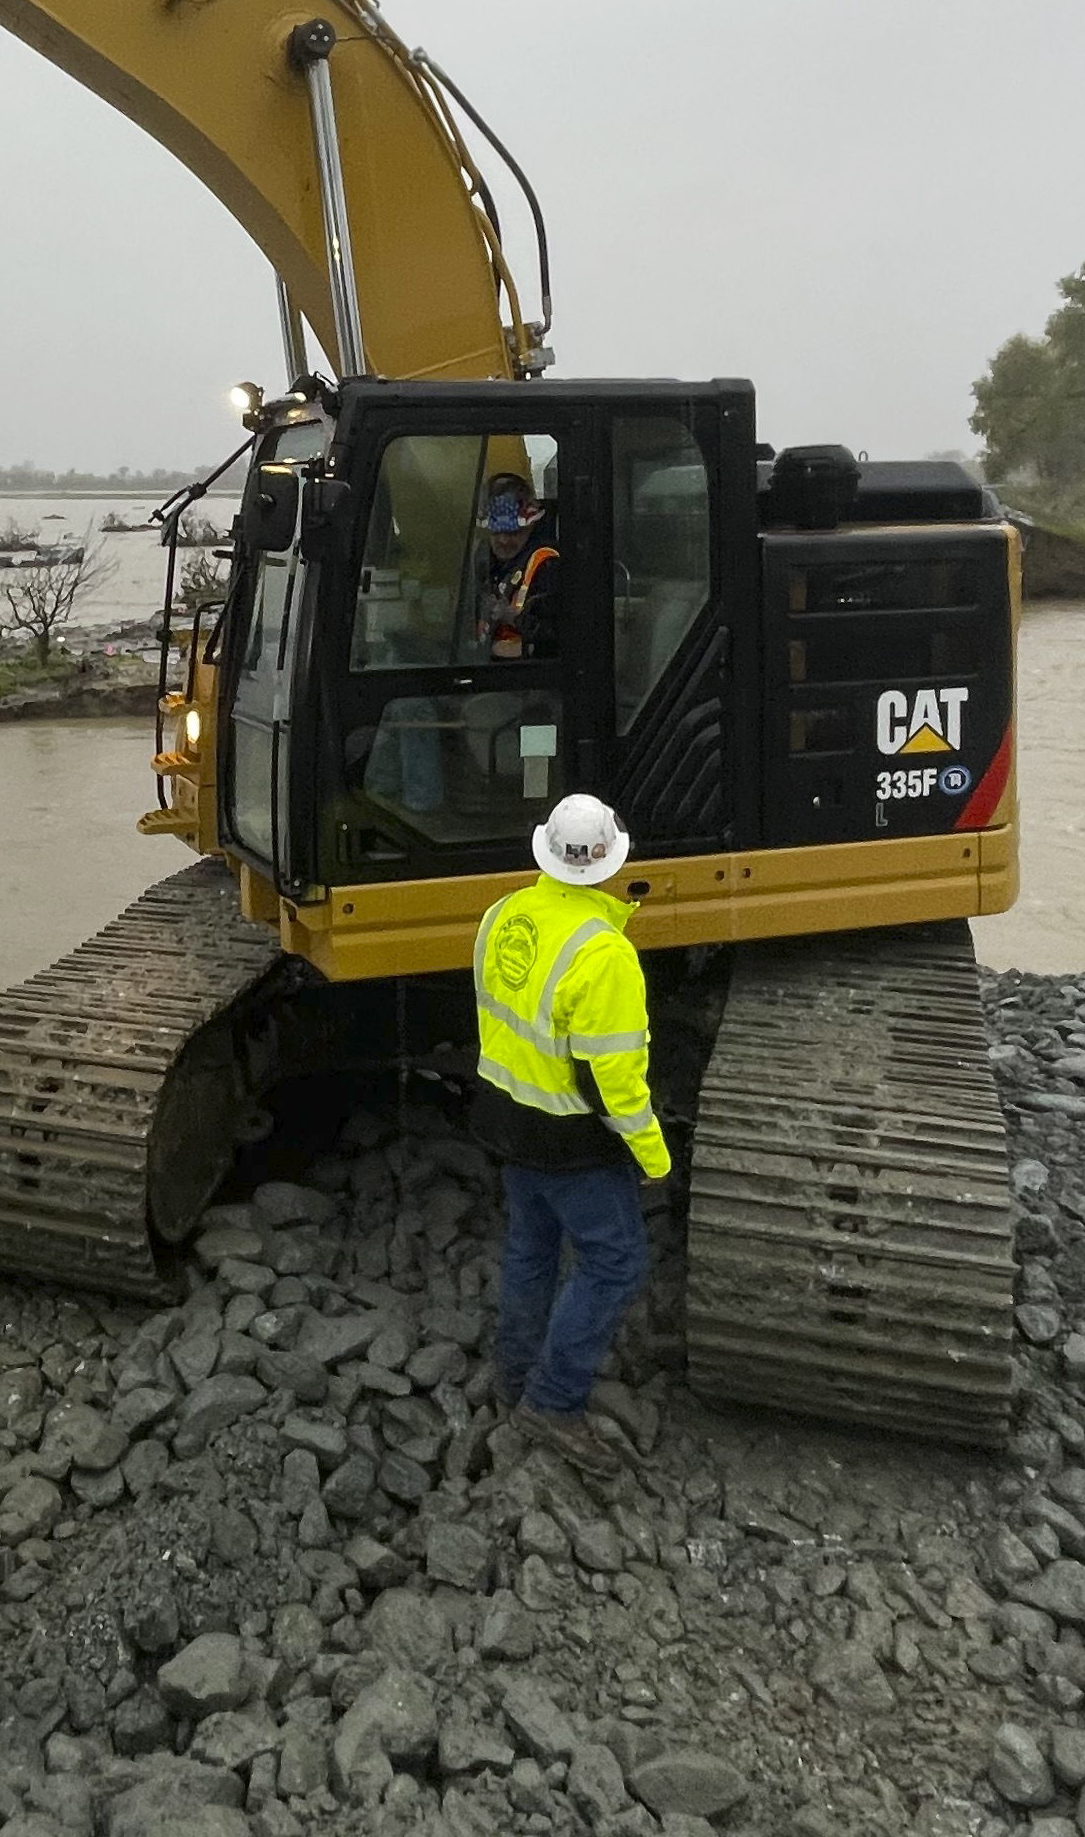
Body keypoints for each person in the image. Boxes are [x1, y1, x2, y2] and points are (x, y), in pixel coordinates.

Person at [468, 792, 669, 1471]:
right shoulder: (604, 952)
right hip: (569, 1140)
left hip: (505, 1118)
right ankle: (553, 1404)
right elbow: (612, 1079)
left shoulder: (504, 914)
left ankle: (513, 1375)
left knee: (532, 1248)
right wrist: (653, 1157)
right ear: (612, 860)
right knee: (616, 1263)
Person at [476, 471, 560, 661]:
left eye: (513, 532)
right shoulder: (483, 558)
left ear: (531, 526)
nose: (504, 540)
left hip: (526, 677)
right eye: (496, 532)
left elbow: (559, 637)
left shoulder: (548, 563)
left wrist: (512, 617)